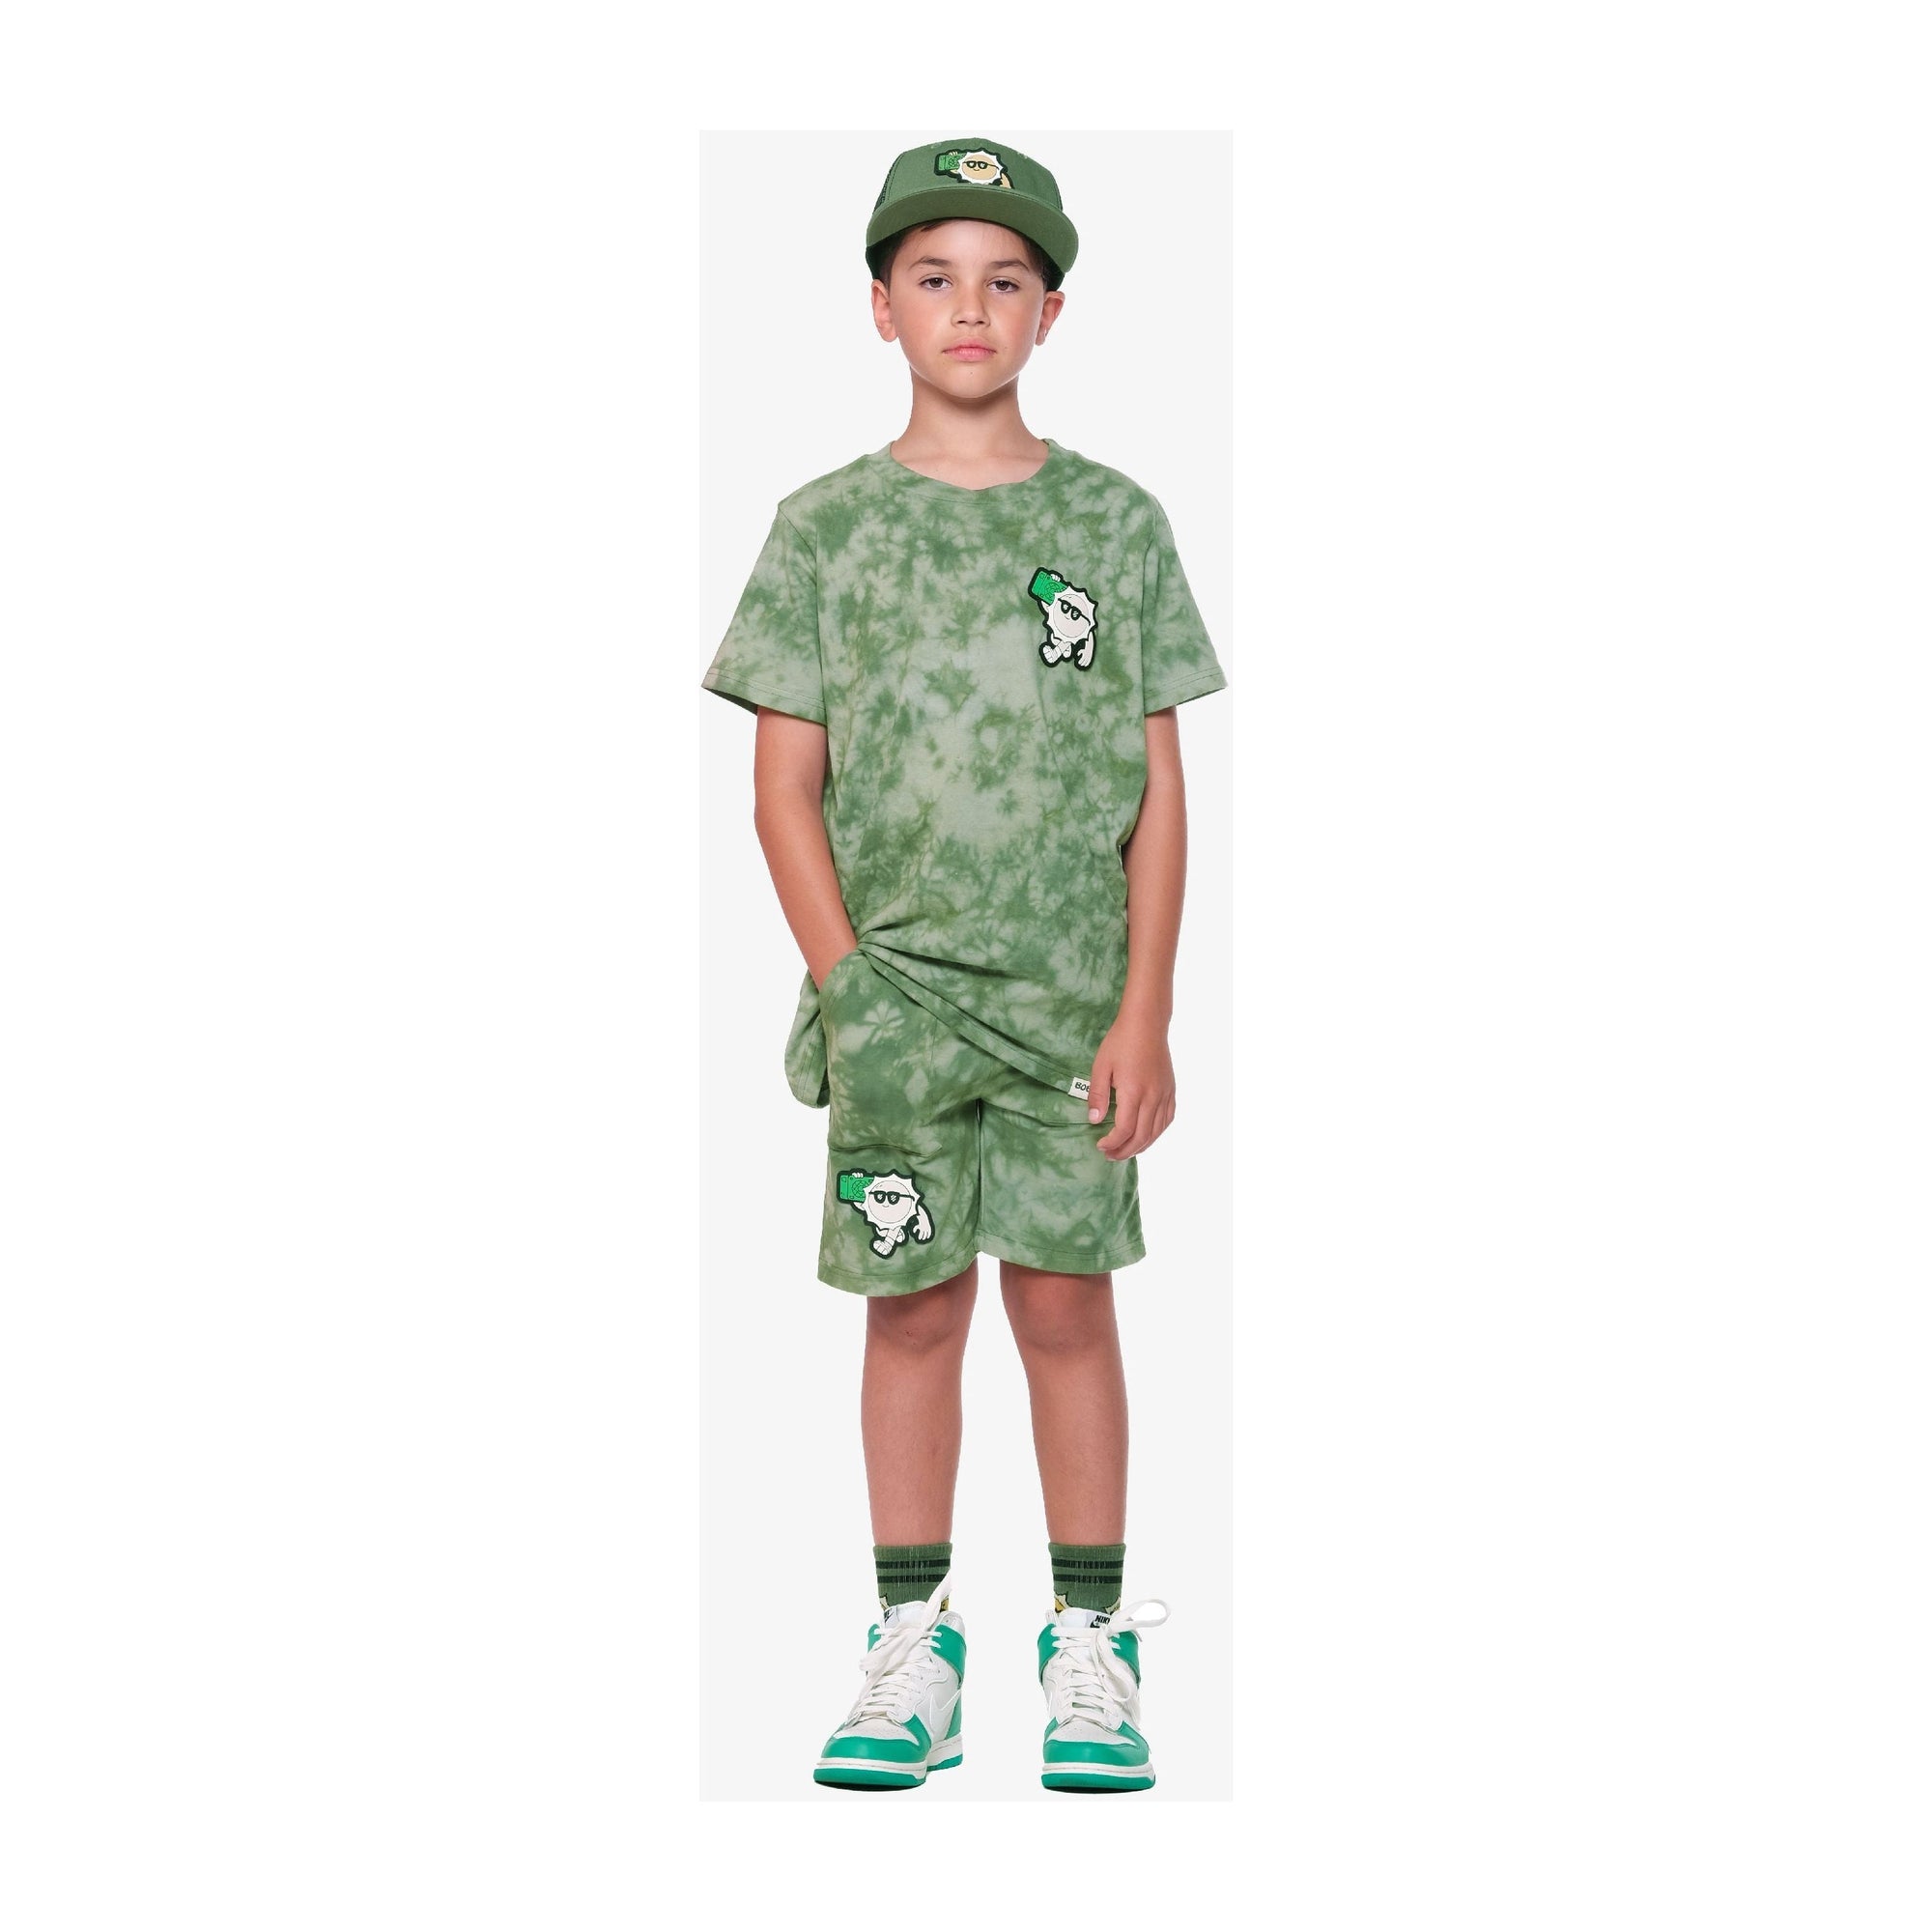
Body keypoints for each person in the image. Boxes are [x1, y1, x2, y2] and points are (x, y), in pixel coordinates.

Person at [700, 137, 1227, 1794]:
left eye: (1006, 280)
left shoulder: (1113, 521)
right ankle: (914, 1644)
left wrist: (1147, 1008)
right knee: (913, 1310)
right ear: (881, 307)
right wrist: (845, 982)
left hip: (1071, 1010)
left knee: (1065, 1304)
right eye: (934, 278)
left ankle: (1092, 1644)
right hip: (900, 1011)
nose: (970, 307)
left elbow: (1159, 788)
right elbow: (783, 784)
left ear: (1051, 311)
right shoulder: (826, 529)